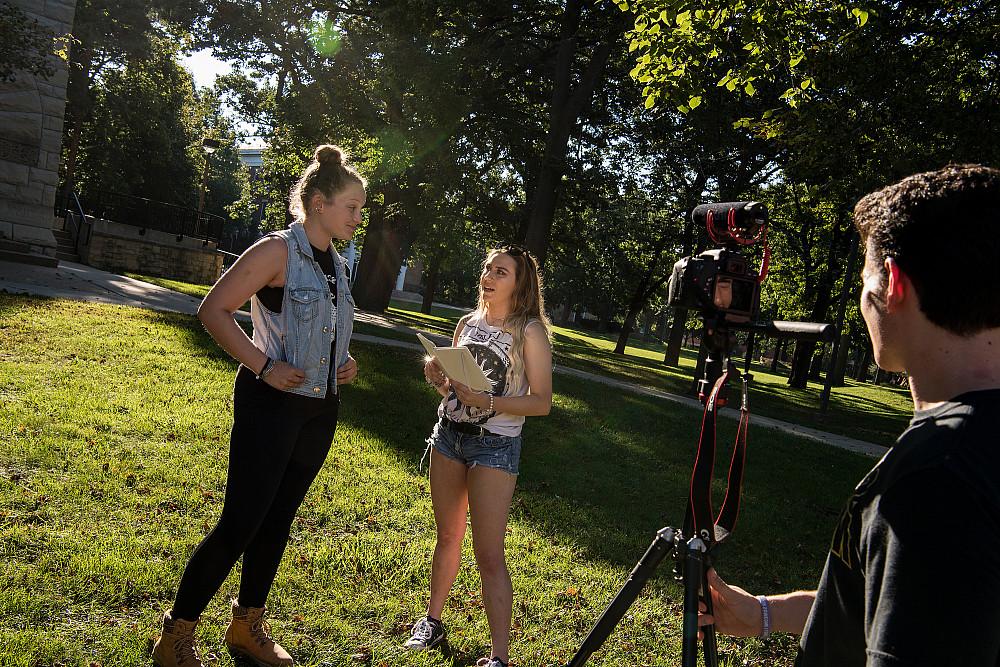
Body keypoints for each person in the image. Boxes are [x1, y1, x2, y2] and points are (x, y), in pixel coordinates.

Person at [697, 164, 1000, 666]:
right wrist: (765, 614)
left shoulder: (933, 481)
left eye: (865, 276)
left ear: (893, 284)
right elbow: (918, 608)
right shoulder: (966, 458)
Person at [152, 145, 366, 667]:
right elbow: (214, 310)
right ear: (317, 203)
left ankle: (247, 628)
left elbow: (321, 329)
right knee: (240, 523)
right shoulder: (275, 252)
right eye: (351, 208)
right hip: (270, 406)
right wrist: (264, 366)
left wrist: (345, 359)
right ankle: (175, 636)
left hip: (319, 409)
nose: (359, 218)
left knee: (278, 521)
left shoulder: (340, 262)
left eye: (361, 209)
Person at [404, 246, 554, 667]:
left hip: (495, 446)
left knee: (489, 553)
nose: (488, 276)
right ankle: (432, 622)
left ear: (519, 283)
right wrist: (436, 374)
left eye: (500, 272)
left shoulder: (530, 331)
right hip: (449, 437)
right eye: (487, 268)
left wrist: (487, 398)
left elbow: (542, 402)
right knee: (448, 536)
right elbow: (453, 384)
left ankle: (499, 657)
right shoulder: (467, 322)